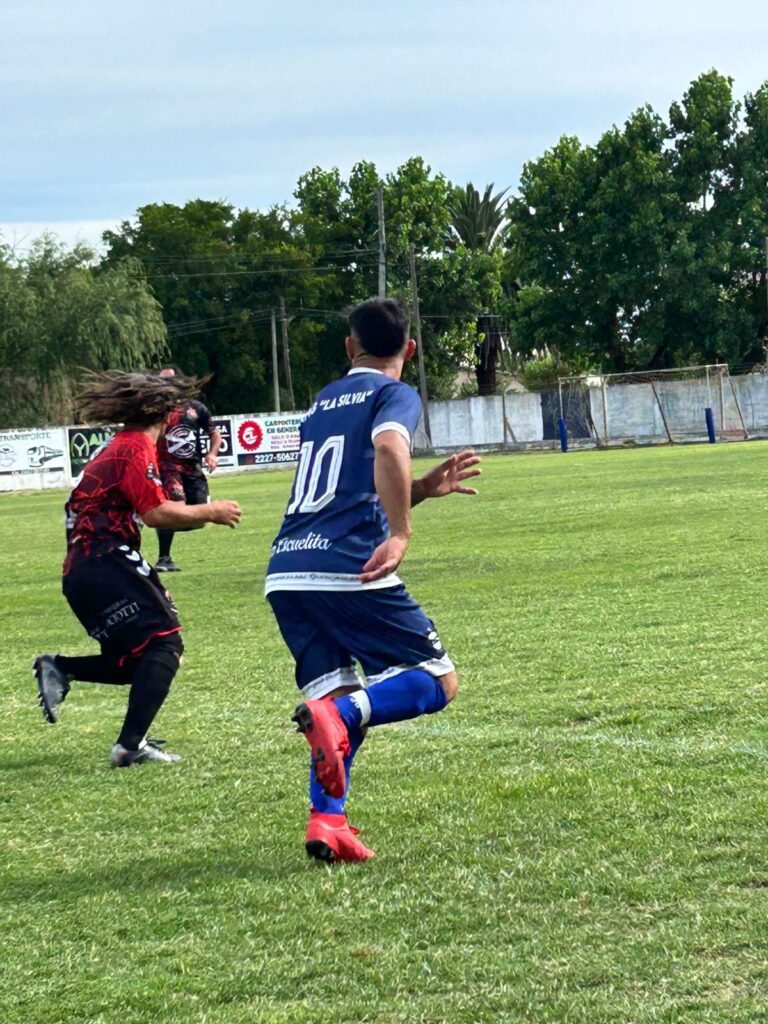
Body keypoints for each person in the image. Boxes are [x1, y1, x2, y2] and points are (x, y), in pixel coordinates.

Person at [265, 298, 480, 863]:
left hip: (288, 569)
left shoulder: (323, 401)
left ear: (348, 347)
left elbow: (353, 487)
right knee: (437, 680)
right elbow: (389, 446)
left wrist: (423, 490)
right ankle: (340, 719)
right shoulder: (394, 393)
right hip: (347, 564)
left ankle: (327, 822)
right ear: (409, 349)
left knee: (334, 704)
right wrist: (403, 533)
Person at [33, 370, 241, 766]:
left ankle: (59, 668)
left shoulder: (120, 445)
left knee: (136, 662)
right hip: (105, 560)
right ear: (163, 413)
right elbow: (157, 513)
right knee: (165, 645)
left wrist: (193, 513)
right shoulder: (134, 448)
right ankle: (130, 746)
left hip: (84, 570)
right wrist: (211, 510)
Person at [154, 364, 222, 572]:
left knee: (200, 518)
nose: (165, 385)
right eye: (162, 381)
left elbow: (214, 433)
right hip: (167, 468)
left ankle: (160, 521)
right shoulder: (154, 410)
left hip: (192, 469)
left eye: (169, 381)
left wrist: (211, 454)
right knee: (175, 506)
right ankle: (164, 558)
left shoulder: (196, 408)